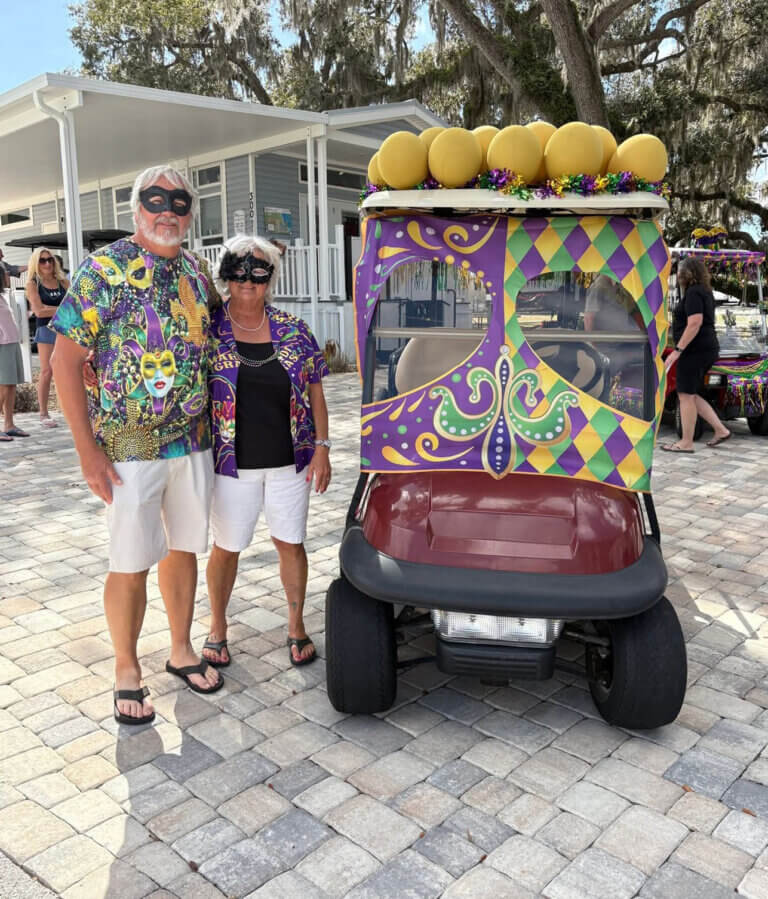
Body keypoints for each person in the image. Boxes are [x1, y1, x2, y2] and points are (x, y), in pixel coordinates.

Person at [49, 164, 223, 727]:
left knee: (184, 549)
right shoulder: (103, 271)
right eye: (155, 201)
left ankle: (180, 649)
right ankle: (126, 668)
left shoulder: (198, 272)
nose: (167, 211)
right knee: (130, 560)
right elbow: (64, 362)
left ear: (190, 213)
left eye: (179, 202)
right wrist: (87, 453)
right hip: (128, 449)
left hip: (192, 444)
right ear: (135, 209)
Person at [204, 234, 331, 669]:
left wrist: (323, 447)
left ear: (271, 277)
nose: (247, 279)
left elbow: (315, 388)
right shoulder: (208, 329)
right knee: (227, 546)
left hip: (289, 461)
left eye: (258, 270)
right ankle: (217, 628)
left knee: (290, 543)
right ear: (225, 275)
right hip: (230, 464)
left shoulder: (294, 330)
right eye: (238, 269)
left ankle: (296, 625)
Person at [663, 256, 731, 452]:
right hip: (705, 348)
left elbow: (695, 323)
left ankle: (686, 442)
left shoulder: (693, 293)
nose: (677, 275)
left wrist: (677, 351)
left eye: (679, 271)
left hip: (694, 350)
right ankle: (720, 430)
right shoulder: (704, 292)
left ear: (686, 273)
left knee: (685, 395)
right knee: (690, 394)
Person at [26, 247, 69, 428]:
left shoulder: (63, 282)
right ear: (36, 263)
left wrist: (50, 309)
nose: (47, 264)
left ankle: (69, 409)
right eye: (42, 260)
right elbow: (38, 310)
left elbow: (76, 304)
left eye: (50, 260)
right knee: (46, 371)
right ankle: (43, 413)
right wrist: (62, 309)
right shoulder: (33, 283)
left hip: (66, 329)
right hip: (46, 330)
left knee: (69, 370)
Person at [0, 262, 28, 441]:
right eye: (5, 274)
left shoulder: (2, 297)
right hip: (2, 343)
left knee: (11, 384)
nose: (8, 277)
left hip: (11, 341)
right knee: (2, 385)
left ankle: (9, 424)